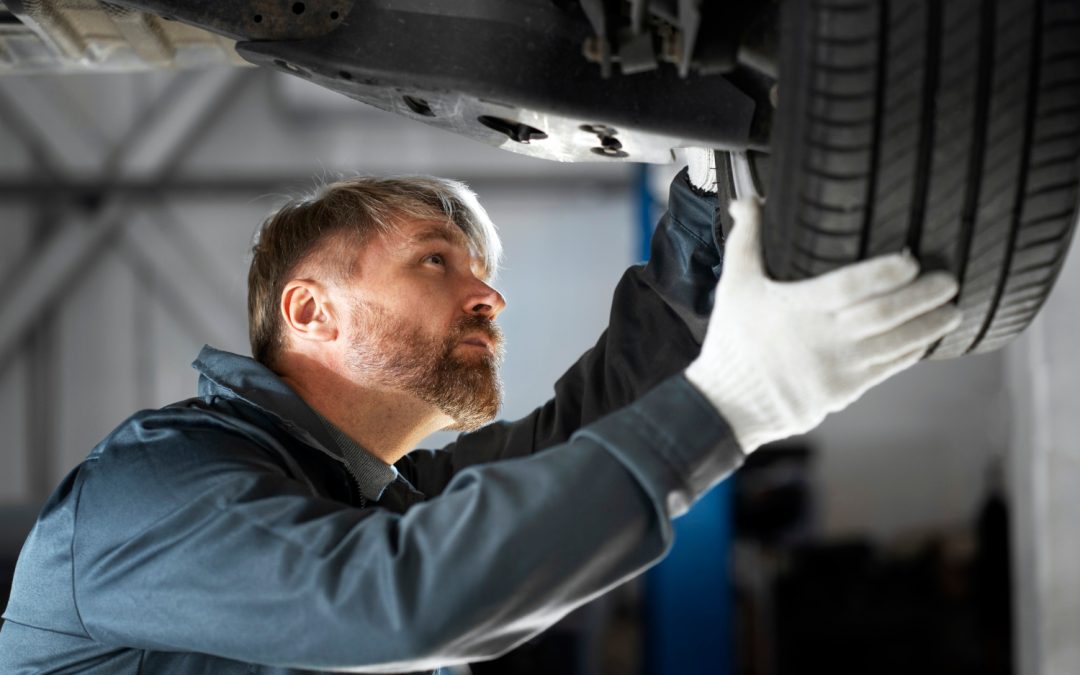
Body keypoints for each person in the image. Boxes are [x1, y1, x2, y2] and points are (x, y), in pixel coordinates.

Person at [0, 157, 961, 674]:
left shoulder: (361, 499)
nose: (487, 297)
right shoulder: (156, 489)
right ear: (309, 310)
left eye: (484, 274)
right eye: (436, 261)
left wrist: (710, 196)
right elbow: (395, 600)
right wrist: (740, 403)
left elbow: (590, 426)